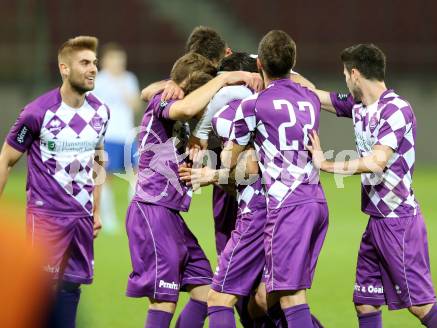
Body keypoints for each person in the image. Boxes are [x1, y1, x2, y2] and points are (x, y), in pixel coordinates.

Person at [307, 43, 437, 328]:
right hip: (377, 223)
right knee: (365, 300)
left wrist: (327, 164)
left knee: (420, 306)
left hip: (399, 224)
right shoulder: (359, 106)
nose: (344, 80)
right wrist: (276, 69)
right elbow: (313, 95)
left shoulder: (396, 109)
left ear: (354, 74)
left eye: (344, 74)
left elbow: (377, 161)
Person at [125, 51, 256, 328]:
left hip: (172, 217)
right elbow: (183, 107)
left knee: (206, 289)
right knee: (164, 298)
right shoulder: (167, 101)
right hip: (152, 210)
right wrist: (226, 80)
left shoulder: (182, 113)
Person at [0, 35, 109, 328]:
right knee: (39, 292)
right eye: (85, 63)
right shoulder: (37, 112)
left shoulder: (100, 111)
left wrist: (96, 209)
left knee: (72, 287)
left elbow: (98, 159)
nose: (93, 69)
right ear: (64, 68)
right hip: (46, 216)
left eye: (94, 63)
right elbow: (6, 159)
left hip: (82, 217)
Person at [224, 30, 328, 328]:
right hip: (316, 202)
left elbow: (229, 161)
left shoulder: (253, 106)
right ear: (293, 62)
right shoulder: (310, 99)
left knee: (292, 298)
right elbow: (304, 85)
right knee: (261, 301)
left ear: (260, 66)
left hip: (288, 206)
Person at [93, 42, 140, 234]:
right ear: (105, 61)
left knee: (138, 175)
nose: (118, 63)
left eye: (121, 60)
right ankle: (108, 218)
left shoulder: (129, 79)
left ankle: (136, 216)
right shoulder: (98, 80)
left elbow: (136, 105)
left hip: (128, 135)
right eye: (114, 59)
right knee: (106, 178)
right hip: (108, 136)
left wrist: (122, 85)